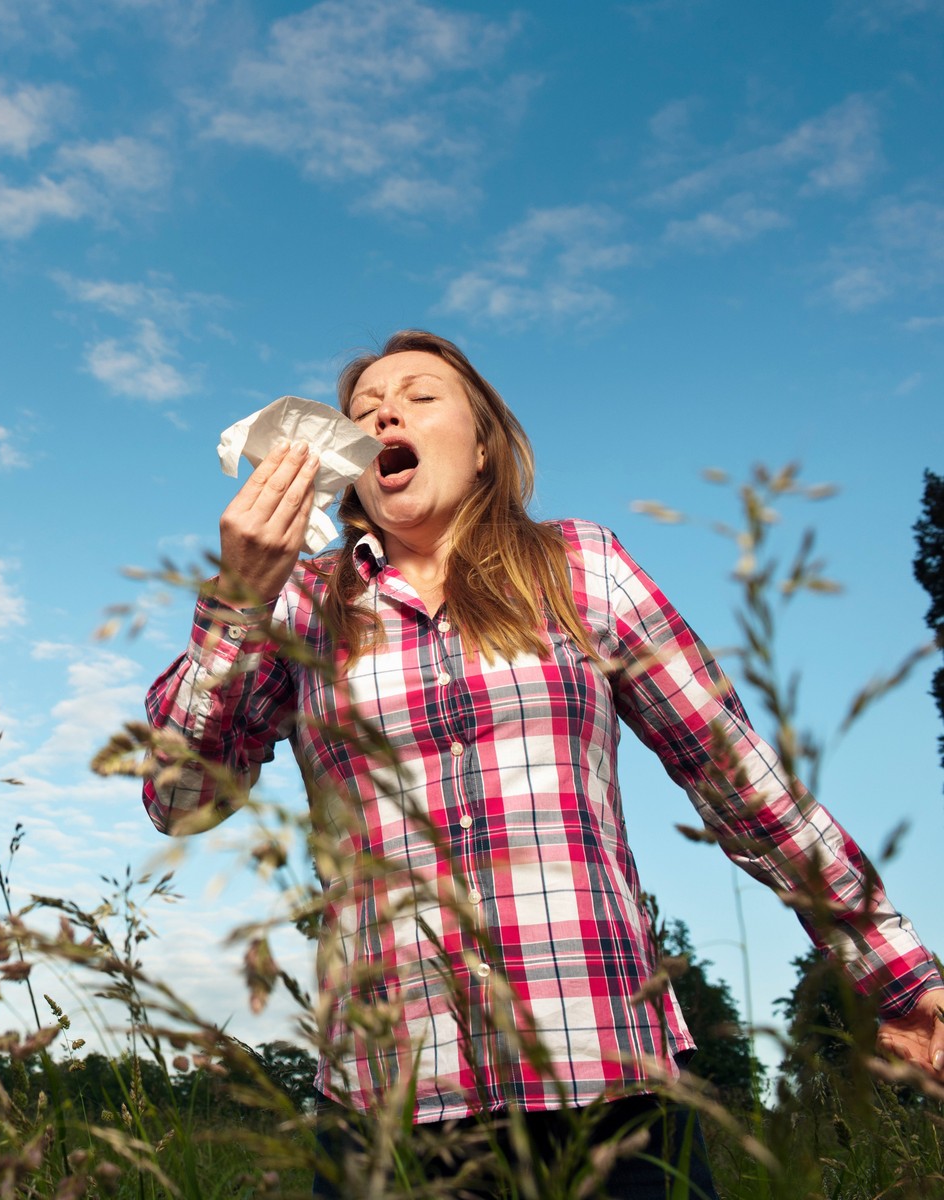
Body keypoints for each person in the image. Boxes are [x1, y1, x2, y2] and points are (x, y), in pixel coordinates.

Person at [141, 330, 944, 1198]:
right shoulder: (300, 604)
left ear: (484, 446)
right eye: (364, 406)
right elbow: (178, 797)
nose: (384, 411)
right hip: (393, 1106)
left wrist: (896, 976)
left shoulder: (580, 568)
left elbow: (744, 786)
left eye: (419, 394)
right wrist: (238, 599)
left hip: (607, 1085)